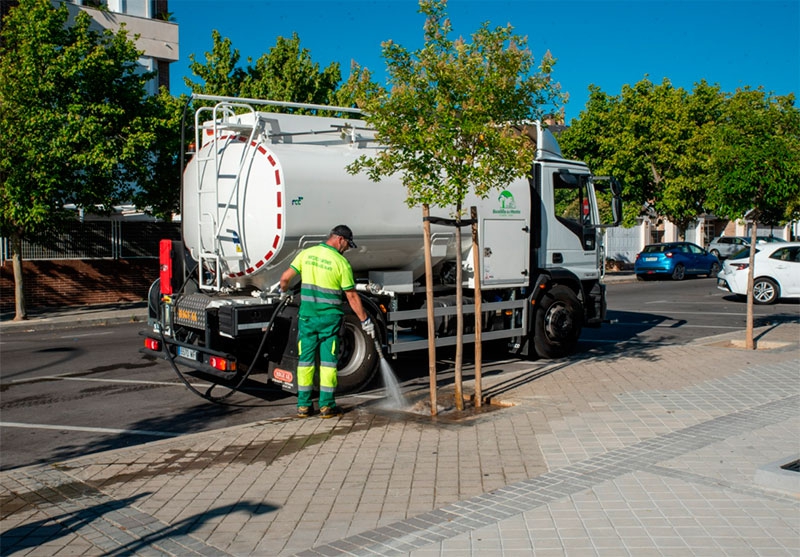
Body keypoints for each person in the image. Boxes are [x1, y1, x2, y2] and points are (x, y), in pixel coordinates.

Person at [279, 225, 375, 419]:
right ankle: (326, 406)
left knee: (305, 362)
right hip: (330, 321)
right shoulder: (341, 263)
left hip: (307, 318)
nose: (347, 248)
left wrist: (284, 292)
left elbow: (285, 278)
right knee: (328, 364)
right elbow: (352, 296)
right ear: (340, 239)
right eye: (347, 244)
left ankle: (304, 406)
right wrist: (365, 321)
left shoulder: (307, 254)